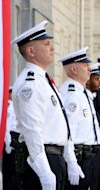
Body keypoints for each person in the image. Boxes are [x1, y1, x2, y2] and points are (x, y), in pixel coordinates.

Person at [11, 21, 84, 190]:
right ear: (31, 51)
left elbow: (60, 126)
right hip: (41, 160)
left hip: (54, 157)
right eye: (46, 44)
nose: (52, 48)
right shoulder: (31, 83)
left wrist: (70, 160)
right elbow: (32, 130)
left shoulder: (44, 81)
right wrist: (44, 172)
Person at [59, 47, 100, 190]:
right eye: (85, 66)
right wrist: (72, 162)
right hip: (78, 157)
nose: (89, 69)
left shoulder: (81, 92)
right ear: (74, 69)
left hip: (87, 156)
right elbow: (67, 132)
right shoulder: (71, 94)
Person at [3, 87, 23, 190]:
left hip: (17, 138)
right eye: (10, 92)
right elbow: (6, 125)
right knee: (9, 170)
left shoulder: (17, 105)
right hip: (11, 138)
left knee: (17, 169)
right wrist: (8, 142)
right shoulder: (9, 106)